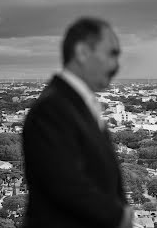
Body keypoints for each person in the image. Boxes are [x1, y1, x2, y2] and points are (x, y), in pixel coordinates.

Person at [22, 17, 133, 228]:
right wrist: (118, 216)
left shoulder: (76, 104)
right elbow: (64, 184)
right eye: (111, 54)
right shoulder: (52, 109)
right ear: (82, 52)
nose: (116, 65)